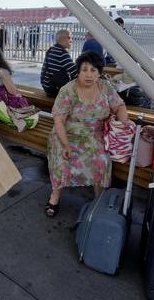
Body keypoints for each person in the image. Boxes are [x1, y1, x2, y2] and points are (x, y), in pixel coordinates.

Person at [44, 51, 128, 217]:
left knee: (101, 160)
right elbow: (59, 120)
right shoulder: (68, 90)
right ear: (78, 71)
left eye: (93, 70)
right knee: (62, 160)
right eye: (85, 70)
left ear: (99, 73)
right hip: (68, 134)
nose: (89, 74)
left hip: (96, 134)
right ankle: (55, 196)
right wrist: (66, 144)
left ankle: (99, 198)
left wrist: (123, 124)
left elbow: (119, 106)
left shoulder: (105, 87)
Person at [40, 29, 77, 97]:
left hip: (47, 87)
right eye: (69, 37)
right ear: (61, 38)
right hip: (55, 89)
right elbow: (75, 72)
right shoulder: (62, 53)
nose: (71, 40)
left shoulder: (52, 49)